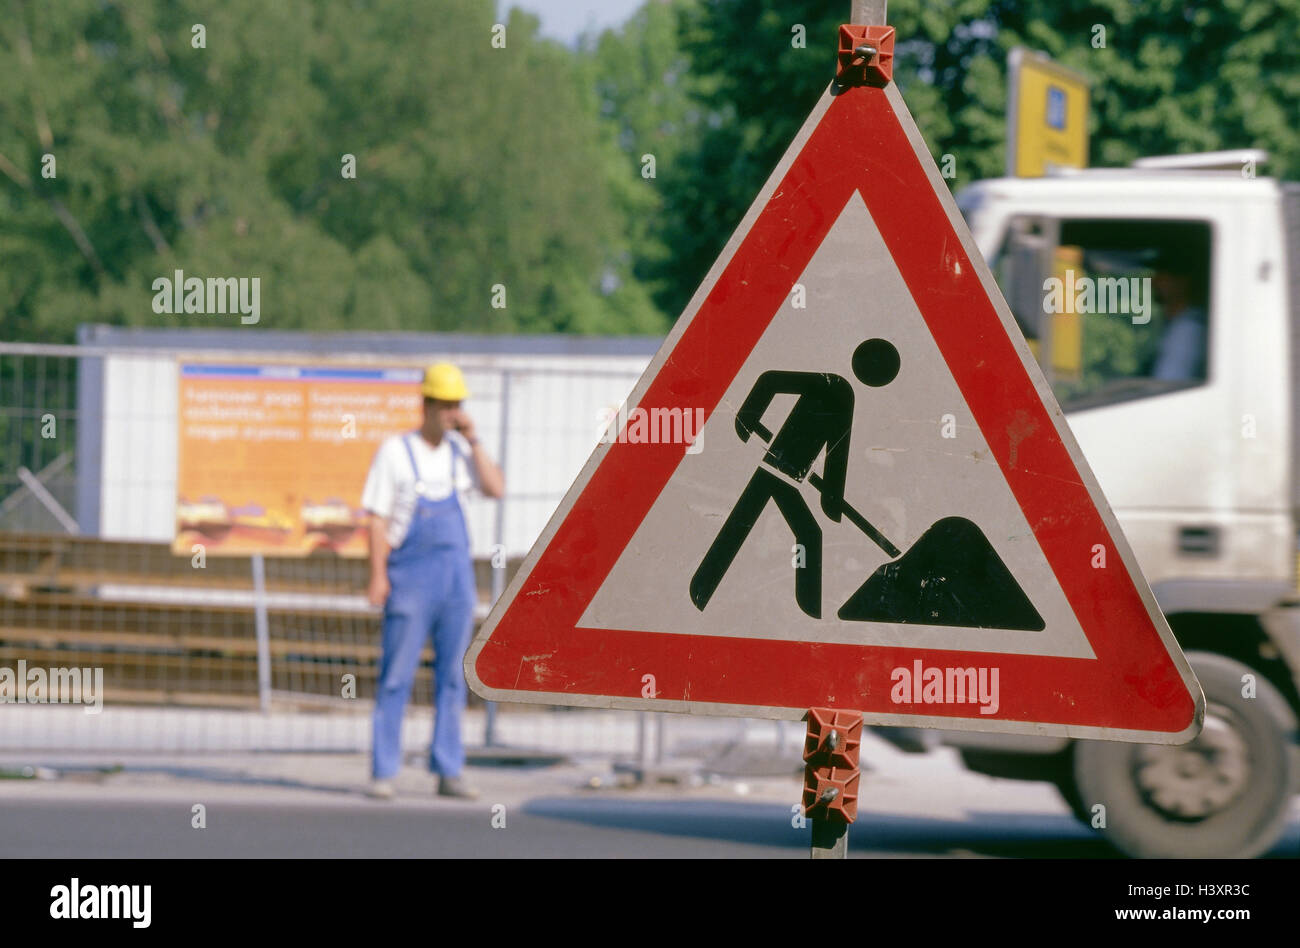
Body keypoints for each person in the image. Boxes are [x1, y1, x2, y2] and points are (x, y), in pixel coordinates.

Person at [361, 362, 505, 800]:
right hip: (410, 578)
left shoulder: (462, 453)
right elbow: (377, 520)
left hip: (455, 581)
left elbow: (496, 488)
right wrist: (377, 575)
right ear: (425, 404)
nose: (452, 413)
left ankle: (448, 769)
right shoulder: (395, 452)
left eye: (457, 405)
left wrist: (474, 438)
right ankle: (383, 771)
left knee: (451, 677)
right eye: (445, 405)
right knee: (396, 675)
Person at [1149, 255, 1209, 382]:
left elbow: (1166, 387)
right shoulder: (1179, 325)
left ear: (1183, 282)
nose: (1153, 281)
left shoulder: (1188, 330)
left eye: (1163, 275)